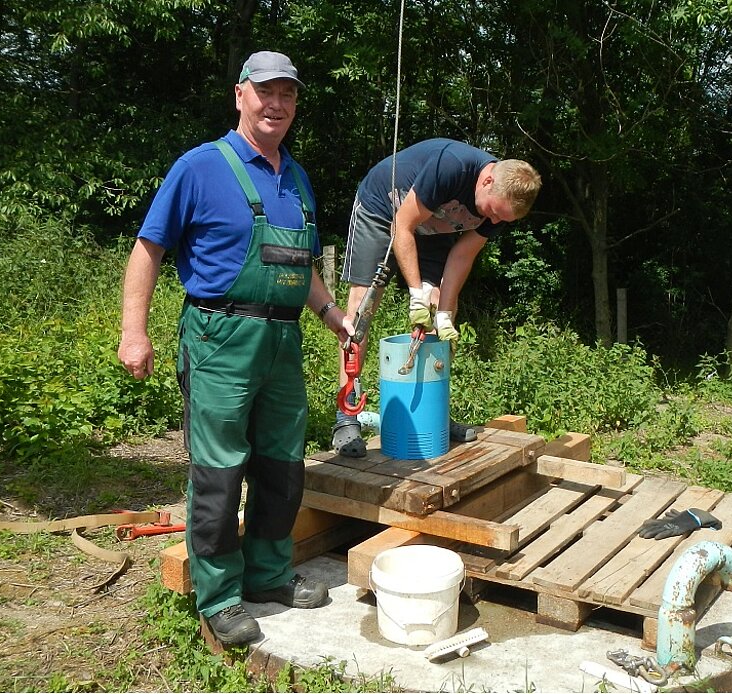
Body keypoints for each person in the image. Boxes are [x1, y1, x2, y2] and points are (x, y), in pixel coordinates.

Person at [118, 50, 353, 646]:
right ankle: (220, 597)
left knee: (282, 466)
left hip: (282, 341)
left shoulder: (296, 177)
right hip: (219, 337)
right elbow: (148, 249)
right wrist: (134, 331)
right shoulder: (200, 168)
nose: (277, 104)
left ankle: (269, 574)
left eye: (288, 94)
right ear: (240, 94)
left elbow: (299, 263)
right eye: (265, 91)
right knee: (219, 471)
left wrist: (331, 314)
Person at [331, 138, 541, 457]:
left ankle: (433, 414)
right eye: (493, 213)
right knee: (361, 310)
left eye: (503, 220)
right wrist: (415, 292)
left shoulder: (501, 206)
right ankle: (346, 417)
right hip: (384, 208)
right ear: (487, 181)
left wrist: (442, 312)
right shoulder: (451, 167)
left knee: (439, 310)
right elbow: (402, 225)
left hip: (433, 227)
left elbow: (462, 256)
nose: (495, 222)